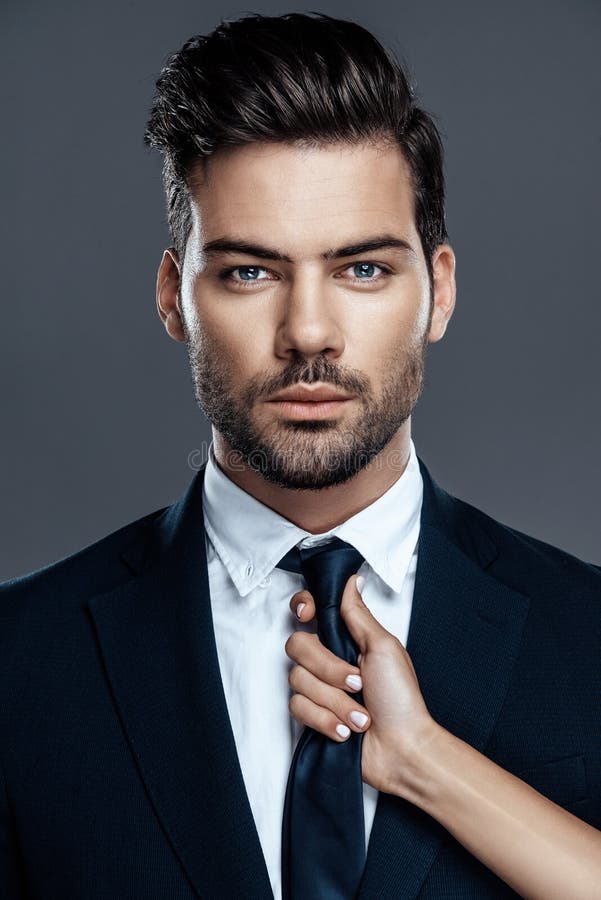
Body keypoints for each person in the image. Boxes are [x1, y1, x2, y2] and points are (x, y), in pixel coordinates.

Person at [1, 10, 599, 900]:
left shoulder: (586, 633)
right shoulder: (20, 661)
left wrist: (430, 766)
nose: (307, 332)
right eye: (249, 271)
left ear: (437, 293)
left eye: (362, 269)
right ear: (175, 299)